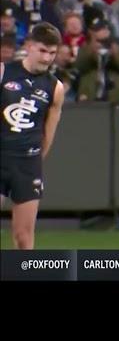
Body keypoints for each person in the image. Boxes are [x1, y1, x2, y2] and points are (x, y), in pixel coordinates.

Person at [0, 22, 64, 249]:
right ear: (28, 46)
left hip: (27, 165)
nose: (47, 58)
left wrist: (34, 159)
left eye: (52, 53)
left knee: (24, 238)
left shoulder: (54, 87)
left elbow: (49, 131)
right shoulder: (4, 71)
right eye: (42, 51)